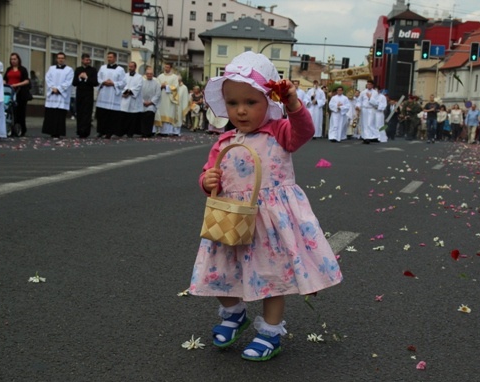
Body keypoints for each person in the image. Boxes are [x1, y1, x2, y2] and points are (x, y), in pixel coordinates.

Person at [190, 51, 342, 362]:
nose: (241, 111)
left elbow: (305, 131)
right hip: (232, 219)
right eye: (233, 104)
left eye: (250, 103)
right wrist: (208, 181)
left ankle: (270, 332)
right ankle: (233, 313)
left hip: (269, 225)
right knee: (222, 271)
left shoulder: (280, 132)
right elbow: (210, 173)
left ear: (268, 103)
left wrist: (293, 104)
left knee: (271, 277)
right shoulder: (224, 141)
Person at [41, 52, 74, 139]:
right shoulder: (51, 68)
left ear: (65, 59)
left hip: (62, 96)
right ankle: (51, 131)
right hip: (52, 95)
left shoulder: (69, 70)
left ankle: (58, 132)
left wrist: (59, 89)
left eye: (62, 58)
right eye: (59, 58)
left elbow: (68, 82)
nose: (60, 59)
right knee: (51, 114)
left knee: (59, 115)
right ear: (56, 59)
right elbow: (48, 78)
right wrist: (53, 88)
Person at [95, 52, 126, 139]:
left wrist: (113, 83)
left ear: (115, 58)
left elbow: (123, 82)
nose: (109, 59)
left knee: (111, 116)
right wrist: (104, 82)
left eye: (111, 57)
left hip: (113, 95)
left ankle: (110, 132)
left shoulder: (120, 69)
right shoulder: (102, 68)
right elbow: (98, 78)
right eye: (108, 57)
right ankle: (101, 131)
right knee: (102, 114)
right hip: (104, 93)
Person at [3, 52, 30, 136]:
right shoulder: (8, 69)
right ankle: (9, 127)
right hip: (9, 92)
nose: (13, 61)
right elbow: (5, 79)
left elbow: (26, 81)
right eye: (12, 59)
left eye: (15, 59)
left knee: (20, 112)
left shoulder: (22, 69)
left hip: (19, 92)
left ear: (18, 60)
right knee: (10, 110)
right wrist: (4, 83)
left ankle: (21, 129)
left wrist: (16, 85)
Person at [72, 53, 99, 138]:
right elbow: (74, 83)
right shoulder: (78, 69)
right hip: (79, 94)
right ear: (82, 60)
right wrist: (80, 77)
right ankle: (79, 130)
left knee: (87, 113)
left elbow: (95, 83)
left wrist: (87, 78)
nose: (88, 61)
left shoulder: (93, 70)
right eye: (86, 60)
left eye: (89, 60)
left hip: (88, 94)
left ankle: (86, 131)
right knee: (79, 113)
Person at [154, 62, 181, 136]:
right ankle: (159, 130)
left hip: (169, 98)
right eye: (165, 67)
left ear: (171, 68)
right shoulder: (160, 76)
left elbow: (176, 87)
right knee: (160, 113)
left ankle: (166, 131)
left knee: (168, 113)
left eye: (168, 67)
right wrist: (161, 85)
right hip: (161, 97)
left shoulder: (174, 77)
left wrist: (166, 86)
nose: (166, 69)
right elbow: (156, 85)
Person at [120, 61, 143, 138]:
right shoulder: (124, 76)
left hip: (133, 100)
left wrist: (129, 92)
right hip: (125, 100)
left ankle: (130, 133)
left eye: (132, 66)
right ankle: (122, 132)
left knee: (131, 118)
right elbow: (122, 85)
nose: (130, 68)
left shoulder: (139, 77)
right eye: (129, 66)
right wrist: (124, 92)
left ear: (135, 67)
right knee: (124, 117)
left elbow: (138, 87)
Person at [140, 66, 161, 138]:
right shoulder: (142, 82)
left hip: (151, 104)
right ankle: (143, 132)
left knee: (149, 117)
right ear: (146, 74)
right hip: (143, 103)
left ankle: (148, 132)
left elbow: (158, 95)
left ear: (153, 74)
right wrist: (143, 101)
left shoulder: (156, 84)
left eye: (150, 74)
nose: (149, 75)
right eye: (148, 74)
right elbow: (139, 93)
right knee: (143, 118)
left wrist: (150, 102)